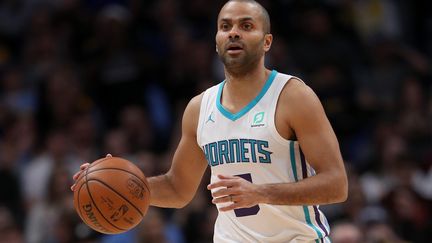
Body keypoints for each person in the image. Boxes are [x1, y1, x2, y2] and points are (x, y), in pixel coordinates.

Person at [71, 0, 348, 242]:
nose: (234, 33)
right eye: (225, 26)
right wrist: (119, 184)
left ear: (267, 42)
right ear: (216, 41)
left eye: (246, 25)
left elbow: (336, 185)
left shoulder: (293, 96)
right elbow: (178, 189)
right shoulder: (199, 108)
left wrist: (260, 193)